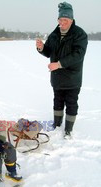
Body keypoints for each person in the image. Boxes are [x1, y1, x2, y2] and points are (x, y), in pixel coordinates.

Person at [36, 2, 88, 137]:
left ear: (71, 20)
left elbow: (78, 55)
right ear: (58, 20)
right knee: (57, 101)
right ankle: (57, 125)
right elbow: (49, 52)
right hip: (57, 77)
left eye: (65, 20)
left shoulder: (80, 34)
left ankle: (68, 130)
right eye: (60, 20)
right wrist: (41, 48)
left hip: (72, 77)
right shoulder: (54, 35)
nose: (62, 22)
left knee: (71, 103)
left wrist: (58, 64)